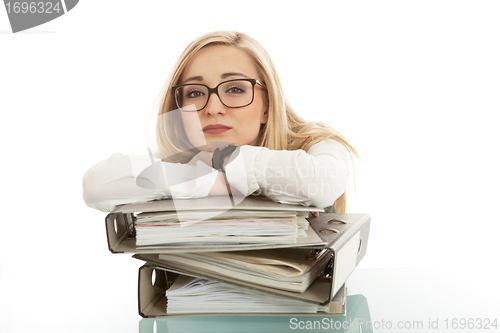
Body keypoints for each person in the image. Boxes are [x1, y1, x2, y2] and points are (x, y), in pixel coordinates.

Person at [82, 31, 358, 214]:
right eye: (195, 93)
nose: (213, 108)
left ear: (267, 107)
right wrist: (214, 181)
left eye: (235, 89)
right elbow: (97, 185)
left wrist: (232, 163)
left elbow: (320, 184)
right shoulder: (185, 158)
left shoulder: (317, 144)